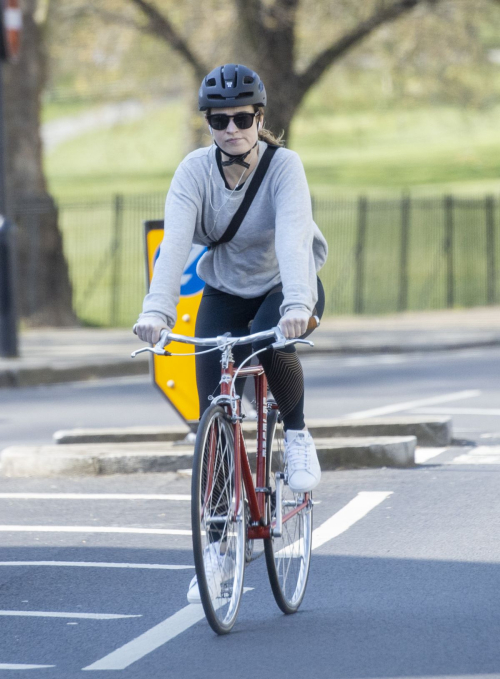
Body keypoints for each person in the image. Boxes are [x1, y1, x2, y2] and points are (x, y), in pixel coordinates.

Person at [134, 63, 328, 602]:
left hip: (286, 290)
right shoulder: (194, 172)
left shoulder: (284, 167)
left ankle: (297, 433)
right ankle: (220, 547)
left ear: (259, 118)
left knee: (272, 340)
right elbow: (174, 244)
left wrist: (296, 305)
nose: (231, 128)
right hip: (224, 292)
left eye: (243, 117)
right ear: (209, 124)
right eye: (220, 120)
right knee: (211, 416)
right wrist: (157, 312)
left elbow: (293, 239)